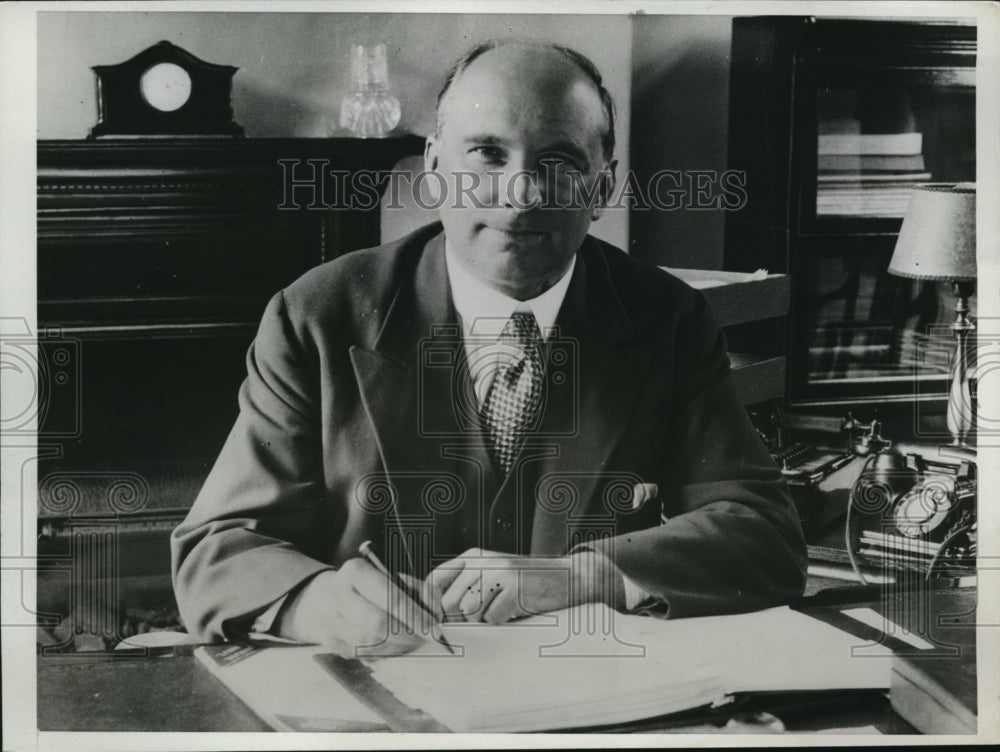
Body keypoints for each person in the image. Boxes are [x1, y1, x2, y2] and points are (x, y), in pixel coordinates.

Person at [171, 40, 807, 655]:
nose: (520, 193)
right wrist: (315, 601)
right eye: (486, 154)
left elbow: (766, 534)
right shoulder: (319, 313)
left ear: (603, 187)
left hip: (586, 691)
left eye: (558, 161)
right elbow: (216, 548)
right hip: (378, 689)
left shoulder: (667, 317)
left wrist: (584, 576)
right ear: (435, 170)